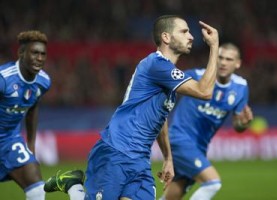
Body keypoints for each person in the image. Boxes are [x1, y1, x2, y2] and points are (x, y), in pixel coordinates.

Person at [44, 15, 219, 200]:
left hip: (140, 160)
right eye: (184, 31)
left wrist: (168, 158)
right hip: (116, 151)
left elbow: (160, 118)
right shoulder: (156, 65)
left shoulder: (167, 77)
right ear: (166, 37)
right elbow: (204, 91)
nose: (191, 36)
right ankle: (73, 186)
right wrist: (214, 47)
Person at [160, 43, 254, 200]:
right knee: (213, 182)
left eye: (229, 59)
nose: (223, 62)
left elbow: (237, 125)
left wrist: (243, 124)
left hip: (200, 147)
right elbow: (165, 87)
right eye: (220, 57)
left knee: (173, 195)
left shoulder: (241, 87)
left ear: (237, 63)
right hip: (179, 138)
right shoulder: (196, 76)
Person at [0, 30, 51, 200]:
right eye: (34, 52)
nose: (39, 58)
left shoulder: (43, 82)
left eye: (43, 54)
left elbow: (32, 108)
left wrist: (30, 144)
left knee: (37, 188)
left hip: (9, 140)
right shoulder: (4, 80)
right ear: (21, 53)